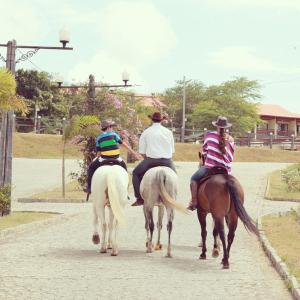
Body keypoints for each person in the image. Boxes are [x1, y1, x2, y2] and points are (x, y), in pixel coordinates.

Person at [187, 116, 235, 210]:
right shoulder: (231, 140)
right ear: (226, 127)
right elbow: (231, 157)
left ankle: (194, 202)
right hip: (225, 170)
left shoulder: (209, 136)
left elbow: (204, 153)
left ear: (216, 126)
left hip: (210, 167)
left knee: (193, 178)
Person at [131, 112, 176, 206]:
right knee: (175, 177)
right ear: (162, 120)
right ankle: (174, 197)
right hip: (167, 161)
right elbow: (172, 151)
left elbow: (142, 152)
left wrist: (147, 158)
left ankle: (139, 198)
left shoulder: (146, 132)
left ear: (152, 120)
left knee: (135, 173)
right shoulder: (168, 132)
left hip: (150, 160)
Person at [85, 119, 138, 194]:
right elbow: (123, 144)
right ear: (108, 127)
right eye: (111, 127)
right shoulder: (114, 135)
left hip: (104, 158)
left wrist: (96, 158)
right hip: (116, 158)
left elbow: (99, 152)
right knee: (124, 169)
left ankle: (89, 187)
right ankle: (125, 188)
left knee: (91, 168)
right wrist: (132, 151)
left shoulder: (99, 138)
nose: (112, 128)